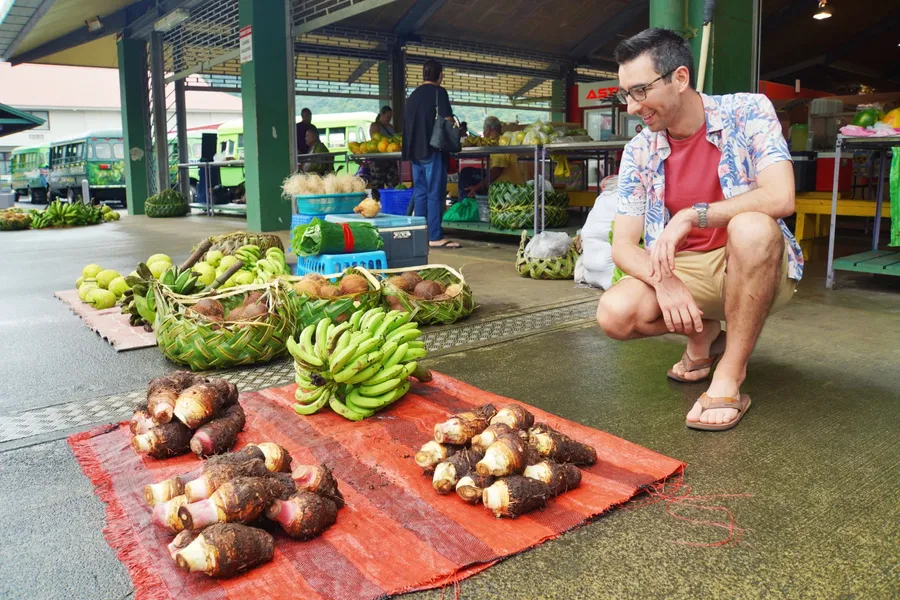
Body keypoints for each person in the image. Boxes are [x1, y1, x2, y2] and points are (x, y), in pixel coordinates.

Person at [595, 28, 802, 431]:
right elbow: (623, 245)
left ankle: (730, 373)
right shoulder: (639, 150)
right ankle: (705, 332)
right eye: (625, 95)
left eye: (640, 91)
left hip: (751, 266)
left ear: (680, 78)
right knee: (614, 314)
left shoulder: (749, 111)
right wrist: (664, 281)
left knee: (753, 227)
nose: (633, 107)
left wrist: (693, 215)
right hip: (686, 271)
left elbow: (781, 196)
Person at [402, 59, 461, 249]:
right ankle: (435, 236)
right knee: (435, 191)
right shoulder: (439, 92)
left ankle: (421, 234)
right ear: (440, 75)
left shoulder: (412, 96)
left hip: (414, 151)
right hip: (433, 149)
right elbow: (447, 119)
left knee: (420, 192)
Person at [462, 116, 525, 198]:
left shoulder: (498, 143)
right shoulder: (501, 140)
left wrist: (477, 187)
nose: (484, 133)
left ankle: (464, 201)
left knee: (465, 174)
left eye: (484, 129)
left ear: (489, 129)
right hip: (504, 184)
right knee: (467, 172)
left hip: (508, 187)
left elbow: (497, 170)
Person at [368, 106, 400, 192]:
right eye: (388, 117)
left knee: (393, 183)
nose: (389, 119)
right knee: (377, 185)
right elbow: (375, 140)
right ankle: (376, 202)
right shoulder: (375, 126)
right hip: (378, 161)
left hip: (391, 159)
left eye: (390, 117)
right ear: (382, 114)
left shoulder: (391, 126)